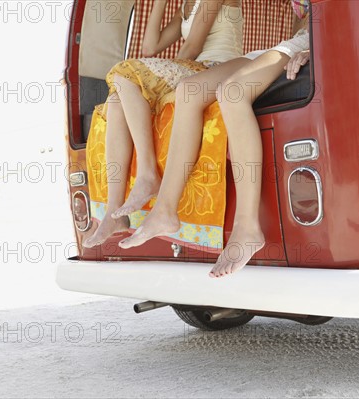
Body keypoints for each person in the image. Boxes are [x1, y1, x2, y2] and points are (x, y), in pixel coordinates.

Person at [118, 1, 311, 279]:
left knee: (232, 93)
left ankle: (247, 229)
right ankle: (165, 209)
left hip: (304, 45)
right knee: (188, 90)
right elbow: (301, 26)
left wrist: (311, 50)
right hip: (286, 45)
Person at [83, 0, 243, 248]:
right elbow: (150, 47)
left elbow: (192, 46)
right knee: (116, 101)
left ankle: (148, 174)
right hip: (193, 68)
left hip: (216, 68)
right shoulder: (186, 8)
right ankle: (115, 213)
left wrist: (157, 79)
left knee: (124, 73)